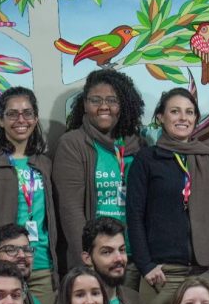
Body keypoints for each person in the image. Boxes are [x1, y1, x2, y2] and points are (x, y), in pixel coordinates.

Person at [127, 88, 209, 304]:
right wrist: (146, 264)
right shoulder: (147, 159)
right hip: (163, 274)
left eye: (189, 112)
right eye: (175, 111)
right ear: (161, 117)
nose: (183, 118)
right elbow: (134, 215)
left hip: (205, 271)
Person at [0, 87, 58, 304]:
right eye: (12, 114)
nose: (21, 120)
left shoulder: (45, 164)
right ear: (0, 119)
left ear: (36, 119)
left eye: (27, 113)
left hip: (41, 268)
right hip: (2, 269)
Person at [53, 69, 145, 282]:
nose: (104, 106)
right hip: (95, 262)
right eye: (96, 100)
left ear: (122, 105)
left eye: (112, 100)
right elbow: (71, 212)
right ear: (84, 104)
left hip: (133, 259)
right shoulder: (72, 144)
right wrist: (88, 263)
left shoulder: (138, 144)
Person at [81, 216, 142, 304]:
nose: (119, 258)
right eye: (107, 252)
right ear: (87, 258)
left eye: (122, 250)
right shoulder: (74, 302)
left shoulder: (134, 299)